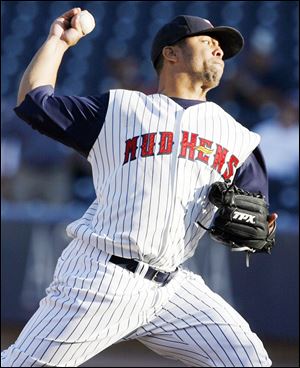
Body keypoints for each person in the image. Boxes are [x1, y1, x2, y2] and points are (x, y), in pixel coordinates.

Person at [1, 8, 277, 367]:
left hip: (174, 289)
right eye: (208, 41)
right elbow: (33, 103)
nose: (219, 50)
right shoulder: (120, 108)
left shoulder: (241, 139)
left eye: (222, 47)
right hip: (101, 277)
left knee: (250, 361)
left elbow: (257, 217)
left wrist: (256, 229)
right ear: (171, 53)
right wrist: (58, 41)